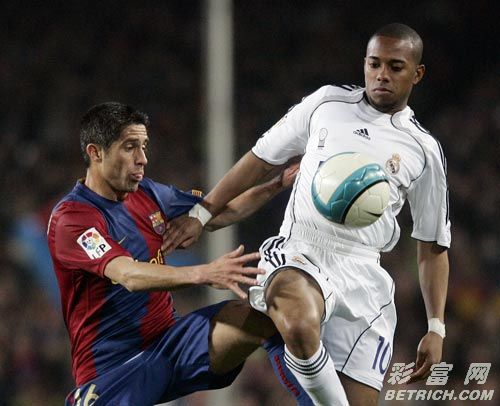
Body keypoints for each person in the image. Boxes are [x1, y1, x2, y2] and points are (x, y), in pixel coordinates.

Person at [163, 23, 450, 406]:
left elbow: (432, 244)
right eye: (374, 64)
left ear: (417, 73)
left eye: (395, 67)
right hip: (302, 250)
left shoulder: (423, 150)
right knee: (298, 318)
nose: (382, 74)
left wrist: (436, 327)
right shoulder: (326, 104)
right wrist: (202, 212)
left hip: (363, 274)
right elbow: (261, 159)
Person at [46, 101, 299, 405]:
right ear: (95, 152)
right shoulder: (72, 219)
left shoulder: (149, 193)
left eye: (143, 147)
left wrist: (276, 184)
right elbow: (128, 275)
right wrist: (204, 273)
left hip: (171, 345)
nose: (142, 159)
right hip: (114, 370)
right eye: (129, 147)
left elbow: (220, 211)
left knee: (263, 316)